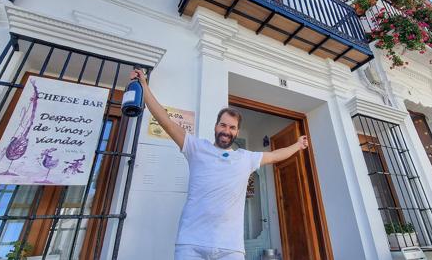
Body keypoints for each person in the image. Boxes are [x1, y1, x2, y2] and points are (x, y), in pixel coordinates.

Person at [130, 69, 308, 260]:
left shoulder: (245, 158)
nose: (227, 131)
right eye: (223, 125)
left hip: (230, 248)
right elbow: (166, 122)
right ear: (216, 126)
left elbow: (274, 155)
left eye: (232, 127)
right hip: (191, 244)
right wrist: (144, 86)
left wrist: (298, 145)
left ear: (237, 132)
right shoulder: (196, 148)